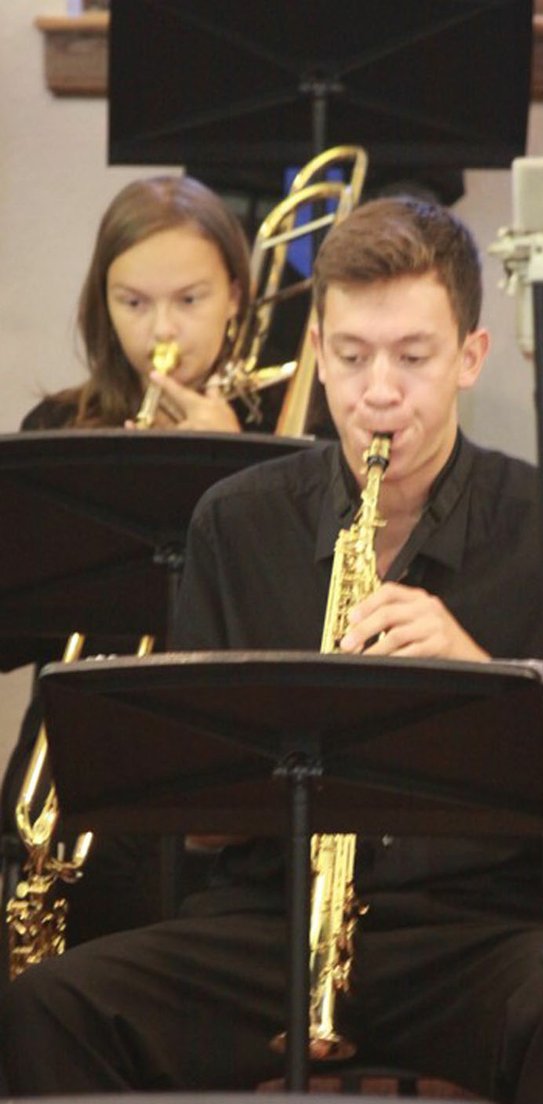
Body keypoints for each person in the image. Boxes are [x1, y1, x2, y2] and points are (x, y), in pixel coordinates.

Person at [0, 196, 543, 1104]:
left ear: (471, 357)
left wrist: (485, 687)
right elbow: (196, 824)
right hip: (265, 927)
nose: (379, 393)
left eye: (414, 356)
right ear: (318, 350)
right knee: (49, 1006)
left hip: (476, 935)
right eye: (352, 356)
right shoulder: (236, 521)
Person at [1, 174, 253, 951]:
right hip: (74, 765)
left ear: (238, 299)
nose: (159, 330)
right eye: (132, 303)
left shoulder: (287, 432)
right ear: (101, 305)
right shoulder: (57, 430)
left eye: (189, 299)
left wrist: (233, 464)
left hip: (221, 777)